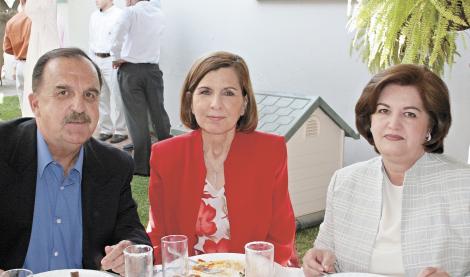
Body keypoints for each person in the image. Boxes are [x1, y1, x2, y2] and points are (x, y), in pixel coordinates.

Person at [302, 64, 470, 277]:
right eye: (383, 111)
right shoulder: (345, 181)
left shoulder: (465, 186)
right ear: (370, 120)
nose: (393, 124)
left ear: (431, 126)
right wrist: (316, 260)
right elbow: (325, 251)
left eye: (409, 114)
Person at [0, 48, 150, 275]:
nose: (79, 107)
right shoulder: (4, 149)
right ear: (35, 104)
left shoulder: (113, 165)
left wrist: (128, 250)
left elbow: (131, 231)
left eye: (90, 95)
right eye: (63, 93)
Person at [146, 51, 297, 266]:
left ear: (244, 103)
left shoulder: (270, 151)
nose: (216, 104)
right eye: (205, 92)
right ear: (190, 101)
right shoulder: (165, 156)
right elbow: (159, 237)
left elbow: (281, 237)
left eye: (228, 93)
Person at [111, 0, 171, 176]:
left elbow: (117, 36)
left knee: (136, 119)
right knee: (159, 114)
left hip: (131, 71)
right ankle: (169, 157)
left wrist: (116, 57)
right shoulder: (159, 14)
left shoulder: (129, 13)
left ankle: (142, 167)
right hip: (153, 70)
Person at [89, 0, 128, 144]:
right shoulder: (94, 16)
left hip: (112, 60)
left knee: (118, 96)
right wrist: (91, 61)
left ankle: (120, 130)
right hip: (96, 59)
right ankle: (106, 129)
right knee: (101, 96)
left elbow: (124, 39)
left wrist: (118, 58)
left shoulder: (120, 15)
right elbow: (91, 40)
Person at [22, 0, 60, 117]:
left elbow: (30, 9)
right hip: (38, 40)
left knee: (47, 76)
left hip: (48, 40)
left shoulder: (45, 4)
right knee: (35, 77)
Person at [3, 0, 31, 112]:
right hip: (34, 63)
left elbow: (7, 48)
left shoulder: (11, 21)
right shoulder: (35, 20)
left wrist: (18, 50)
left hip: (20, 65)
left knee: (23, 103)